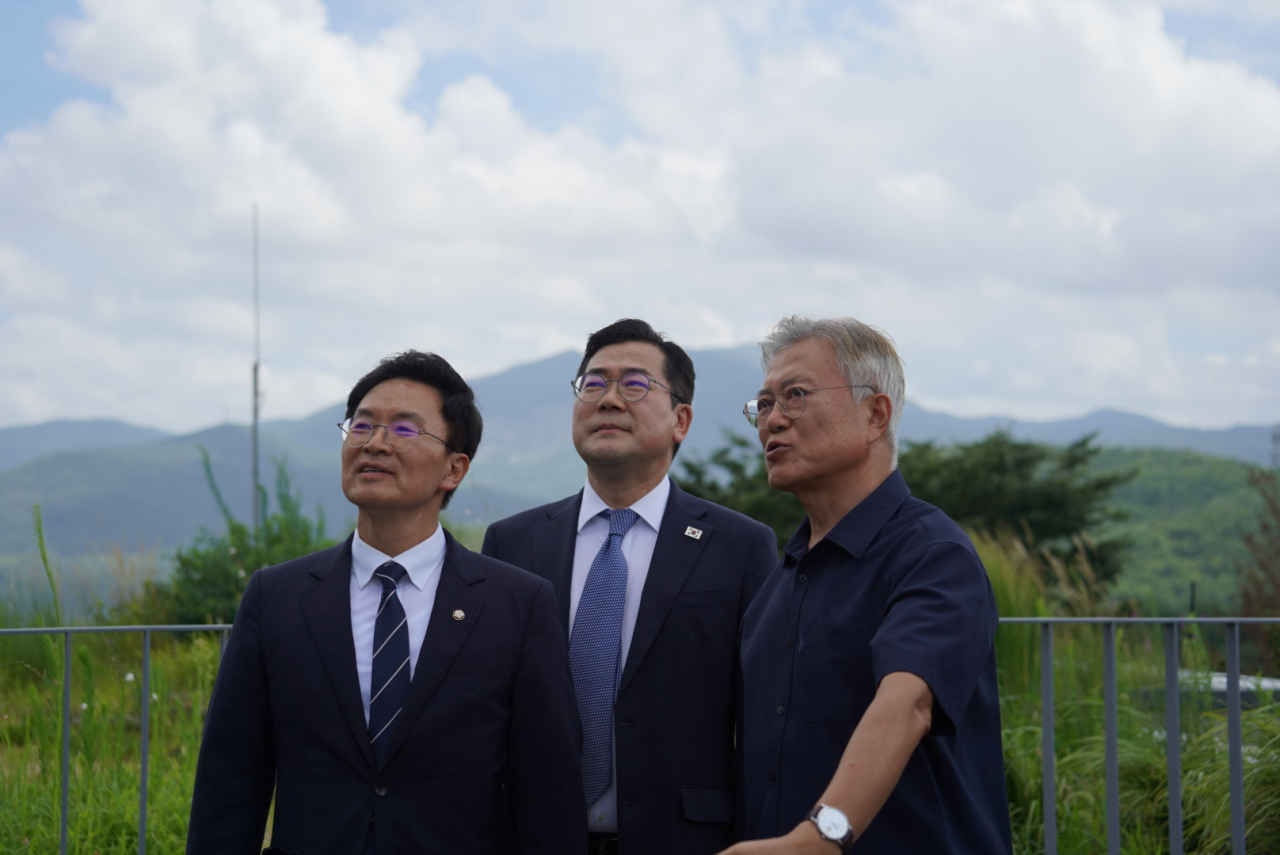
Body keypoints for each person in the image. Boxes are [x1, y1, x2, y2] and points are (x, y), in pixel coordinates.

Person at [186, 350, 584, 855]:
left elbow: (547, 794)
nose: (375, 442)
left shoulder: (517, 604)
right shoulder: (277, 597)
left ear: (454, 469)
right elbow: (230, 782)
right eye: (361, 426)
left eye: (403, 430)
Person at [483, 319, 778, 855]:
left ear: (680, 420)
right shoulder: (513, 543)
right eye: (593, 384)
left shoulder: (740, 546)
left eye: (634, 385)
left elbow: (760, 723)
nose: (609, 399)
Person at [723, 316, 1012, 855]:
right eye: (763, 405)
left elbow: (907, 705)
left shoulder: (931, 556)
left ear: (876, 413)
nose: (771, 421)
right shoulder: (776, 585)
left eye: (795, 396)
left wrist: (818, 838)